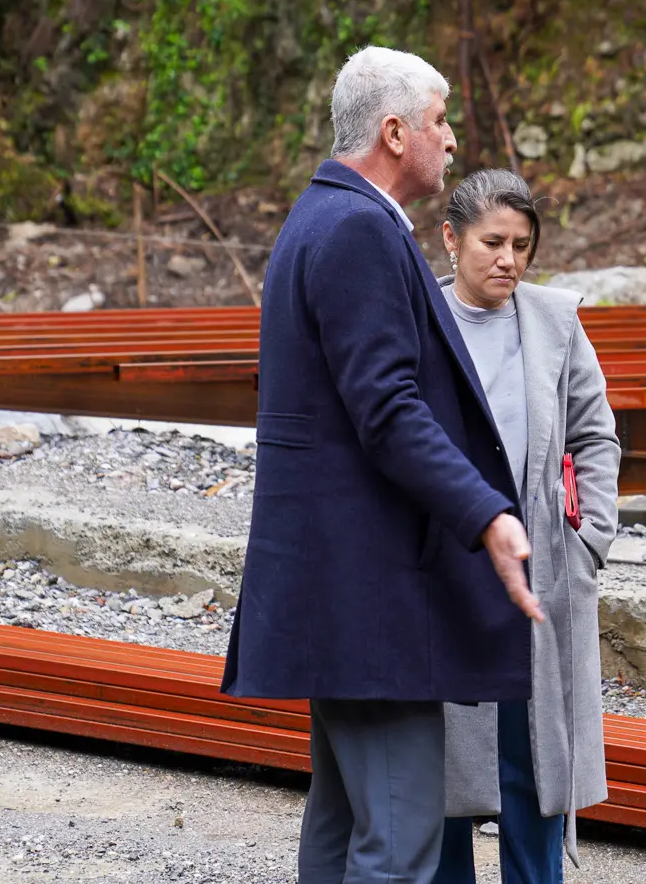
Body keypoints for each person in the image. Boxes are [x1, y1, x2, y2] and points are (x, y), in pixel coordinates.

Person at [221, 46, 545, 884]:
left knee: (342, 828)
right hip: (371, 603)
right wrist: (489, 513)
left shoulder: (320, 217)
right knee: (398, 843)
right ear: (395, 131)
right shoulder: (360, 229)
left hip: (336, 595)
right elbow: (388, 409)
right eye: (440, 120)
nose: (451, 136)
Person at [431, 169, 620, 884]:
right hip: (448, 571)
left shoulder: (553, 320)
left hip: (541, 571)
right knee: (445, 769)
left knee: (535, 763)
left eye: (521, 244)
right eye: (492, 242)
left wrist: (589, 540)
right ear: (451, 238)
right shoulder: (423, 319)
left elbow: (596, 436)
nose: (508, 259)